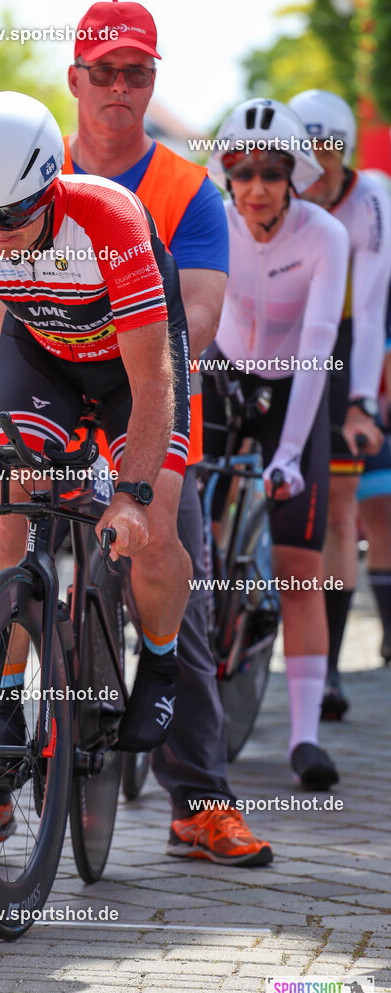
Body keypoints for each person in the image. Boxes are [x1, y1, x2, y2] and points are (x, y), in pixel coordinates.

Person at [0, 0, 273, 868]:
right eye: (104, 72)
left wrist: (131, 417)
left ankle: (198, 801)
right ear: (76, 80)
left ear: (152, 81)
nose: (119, 87)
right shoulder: (13, 162)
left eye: (137, 72)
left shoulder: (184, 190)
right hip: (49, 385)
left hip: (149, 388)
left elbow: (196, 316)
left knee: (171, 570)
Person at [0, 88, 200, 862]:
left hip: (135, 367)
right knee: (7, 518)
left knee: (153, 525)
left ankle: (159, 662)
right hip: (46, 363)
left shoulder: (108, 219)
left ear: (52, 181)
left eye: (15, 214)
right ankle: (0, 711)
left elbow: (152, 380)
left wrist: (129, 492)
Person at [206, 98, 350, 789]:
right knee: (180, 530)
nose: (255, 184)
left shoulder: (324, 235)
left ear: (294, 175)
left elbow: (320, 347)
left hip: (295, 387)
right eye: (240, 169)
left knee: (297, 561)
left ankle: (301, 737)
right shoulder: (210, 222)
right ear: (225, 174)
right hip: (220, 372)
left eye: (270, 170)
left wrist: (289, 454)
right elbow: (189, 313)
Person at [288, 91, 391, 706]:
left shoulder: (370, 198)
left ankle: (324, 661)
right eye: (310, 155)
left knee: (341, 502)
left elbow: (373, 311)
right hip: (279, 334)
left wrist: (362, 402)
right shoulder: (273, 183)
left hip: (346, 337)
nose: (320, 173)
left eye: (332, 156)